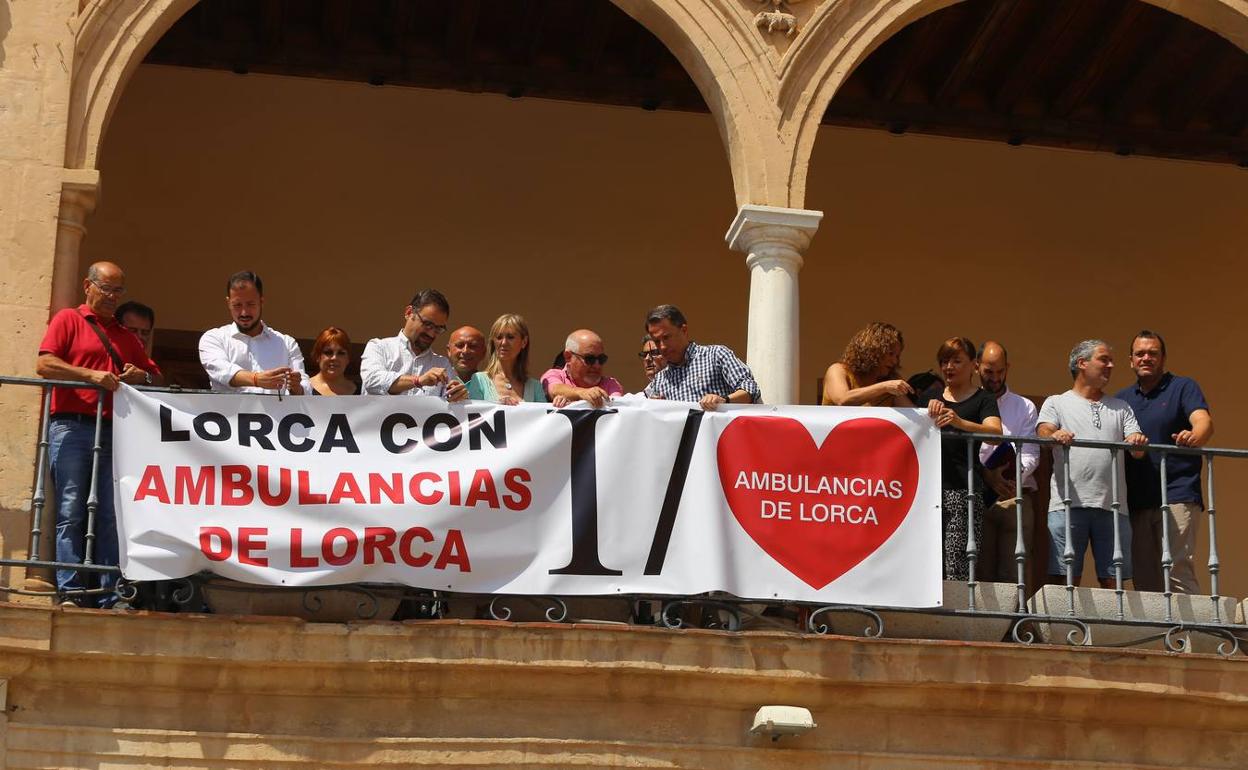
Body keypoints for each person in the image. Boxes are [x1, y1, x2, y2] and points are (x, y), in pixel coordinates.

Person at [36, 261, 163, 607]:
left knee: (110, 513)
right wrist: (89, 375)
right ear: (87, 286)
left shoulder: (124, 335)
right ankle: (71, 590)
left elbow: (157, 377)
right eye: (106, 289)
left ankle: (110, 595)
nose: (111, 297)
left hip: (114, 431)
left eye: (118, 291)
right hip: (72, 426)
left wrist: (141, 376)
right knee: (71, 510)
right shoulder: (68, 320)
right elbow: (44, 363)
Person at [1038, 340, 1148, 588]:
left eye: (1111, 361)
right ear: (1082, 363)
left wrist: (1137, 441)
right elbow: (1043, 432)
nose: (1111, 365)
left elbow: (1137, 450)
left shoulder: (1121, 407)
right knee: (1065, 578)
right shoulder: (1056, 402)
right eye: (1104, 359)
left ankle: (1113, 618)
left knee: (1113, 581)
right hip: (1067, 504)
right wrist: (1054, 434)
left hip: (1113, 506)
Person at [1116, 330, 1213, 594]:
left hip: (1177, 493)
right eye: (1140, 354)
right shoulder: (1122, 399)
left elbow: (1203, 422)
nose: (1146, 358)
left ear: (1163, 358)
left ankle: (1192, 624)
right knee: (1145, 580)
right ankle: (1156, 626)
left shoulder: (1182, 387)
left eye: (1153, 353)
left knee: (1177, 571)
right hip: (1137, 500)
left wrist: (1194, 435)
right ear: (1131, 360)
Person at [920, 337, 1002, 581]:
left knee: (957, 565)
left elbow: (996, 434)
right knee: (926, 559)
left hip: (963, 492)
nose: (949, 367)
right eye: (944, 361)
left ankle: (955, 607)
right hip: (927, 491)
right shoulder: (930, 398)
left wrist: (960, 423)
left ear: (974, 366)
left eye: (956, 361)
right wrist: (924, 410)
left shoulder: (983, 399)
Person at [976, 341, 1040, 584]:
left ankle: (1017, 613)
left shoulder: (1024, 406)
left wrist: (1008, 479)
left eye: (1000, 371)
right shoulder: (970, 402)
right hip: (979, 494)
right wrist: (988, 477)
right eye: (988, 372)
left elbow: (1031, 454)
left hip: (1016, 495)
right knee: (981, 573)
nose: (995, 378)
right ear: (976, 366)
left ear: (1008, 368)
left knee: (1015, 573)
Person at [198, 271, 309, 395]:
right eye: (237, 305)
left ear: (261, 302)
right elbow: (222, 371)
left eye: (250, 304)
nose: (244, 312)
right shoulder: (214, 338)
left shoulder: (287, 344)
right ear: (228, 303)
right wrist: (256, 379)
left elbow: (305, 388)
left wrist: (296, 387)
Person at [643, 304, 759, 410]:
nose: (662, 347)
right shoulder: (660, 380)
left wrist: (724, 400)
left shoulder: (716, 355)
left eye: (666, 337)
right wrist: (656, 408)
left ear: (684, 330)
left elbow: (750, 389)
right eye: (657, 341)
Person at [359, 289, 467, 401]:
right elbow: (372, 381)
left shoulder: (442, 364)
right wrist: (418, 381)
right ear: (409, 313)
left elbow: (450, 400)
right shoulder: (378, 347)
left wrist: (457, 395)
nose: (431, 333)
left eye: (438, 329)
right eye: (427, 324)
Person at [822, 321, 916, 406]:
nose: (894, 361)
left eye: (897, 356)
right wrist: (884, 387)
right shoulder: (838, 370)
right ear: (873, 351)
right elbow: (842, 400)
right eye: (890, 354)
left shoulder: (891, 380)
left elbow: (911, 411)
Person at [466, 314, 546, 404]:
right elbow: (474, 412)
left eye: (510, 337)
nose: (503, 343)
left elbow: (546, 413)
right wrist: (499, 406)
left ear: (524, 342)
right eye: (499, 337)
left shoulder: (535, 387)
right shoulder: (479, 380)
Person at [542, 329, 624, 407]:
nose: (597, 365)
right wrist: (582, 393)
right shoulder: (554, 375)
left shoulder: (611, 384)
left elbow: (616, 409)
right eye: (590, 359)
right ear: (568, 357)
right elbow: (555, 389)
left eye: (601, 359)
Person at [308, 327, 358, 396]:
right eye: (328, 352)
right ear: (317, 356)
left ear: (348, 358)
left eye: (341, 353)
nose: (334, 358)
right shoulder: (304, 388)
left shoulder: (362, 392)